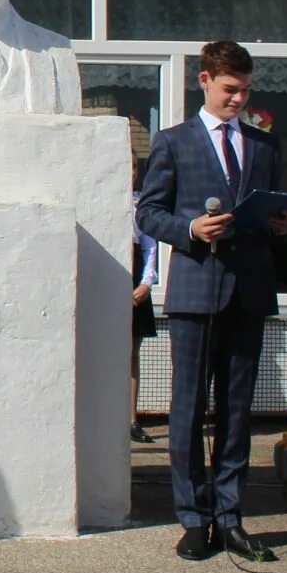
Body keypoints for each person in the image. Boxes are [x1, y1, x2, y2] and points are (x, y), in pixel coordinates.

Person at [137, 40, 287, 563]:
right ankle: (192, 519)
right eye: (230, 90)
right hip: (195, 290)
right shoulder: (173, 142)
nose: (239, 101)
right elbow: (149, 214)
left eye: (246, 91)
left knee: (236, 412)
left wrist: (281, 226)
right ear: (204, 81)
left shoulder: (264, 147)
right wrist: (189, 228)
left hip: (247, 292)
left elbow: (273, 217)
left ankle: (230, 516)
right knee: (186, 411)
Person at [131, 158, 160, 444]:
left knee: (131, 351)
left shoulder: (140, 204)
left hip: (135, 272)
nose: (128, 172)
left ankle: (132, 418)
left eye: (133, 168)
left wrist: (146, 282)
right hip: (111, 274)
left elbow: (150, 245)